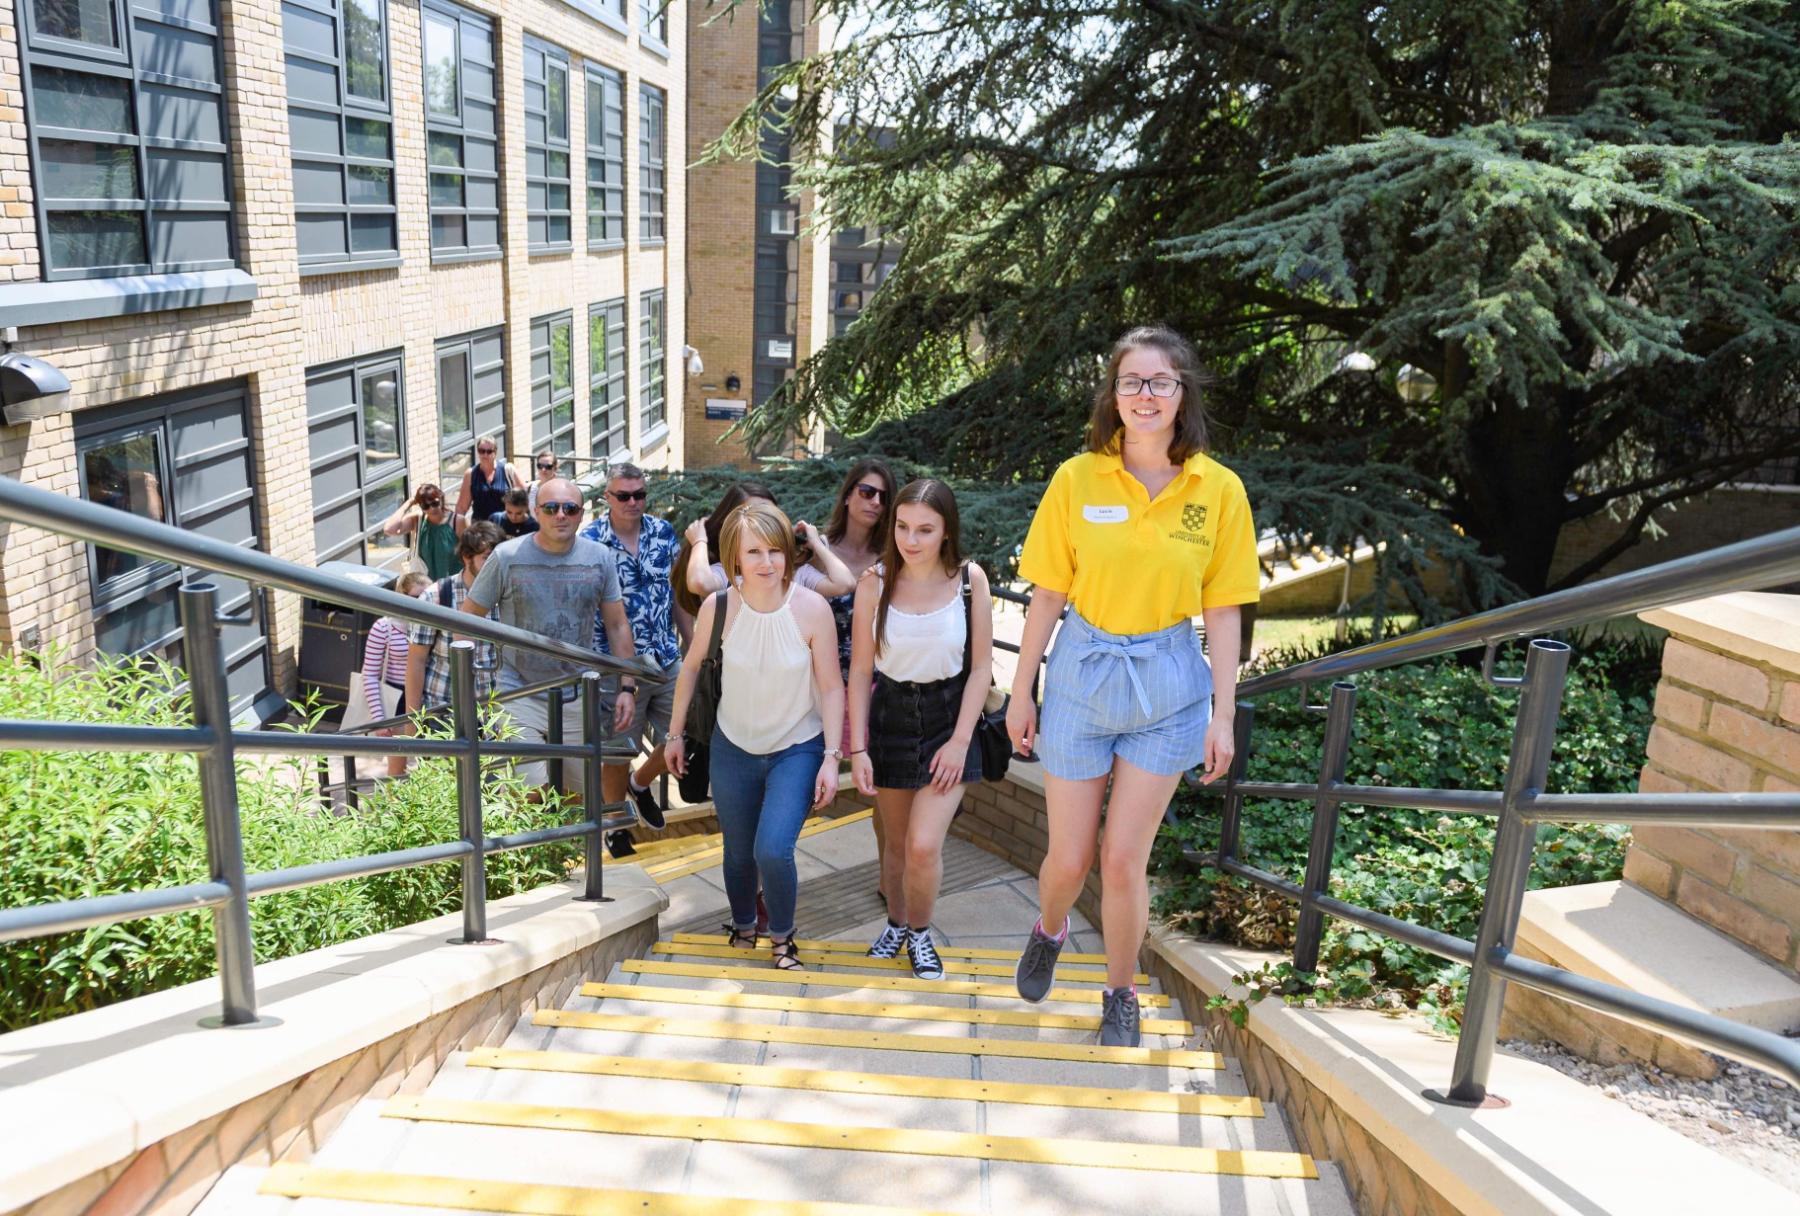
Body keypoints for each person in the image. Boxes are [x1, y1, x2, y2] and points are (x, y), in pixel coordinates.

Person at [1005, 325, 1260, 1048]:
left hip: (1168, 685)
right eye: (1131, 382)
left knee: (1123, 860)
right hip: (1083, 675)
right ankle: (1049, 928)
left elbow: (1224, 610)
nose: (1145, 395)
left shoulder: (1219, 490)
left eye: (1160, 382)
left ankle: (1120, 993)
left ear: (1183, 393)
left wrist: (1223, 714)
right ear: (1113, 396)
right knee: (1069, 859)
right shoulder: (1077, 478)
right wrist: (1021, 692)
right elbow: (1048, 596)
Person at [666, 501, 845, 972]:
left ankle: (783, 939)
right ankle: (744, 925)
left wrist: (832, 757)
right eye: (754, 552)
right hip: (732, 747)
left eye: (775, 550)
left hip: (797, 748)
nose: (767, 563)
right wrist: (674, 734)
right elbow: (690, 669)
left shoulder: (812, 609)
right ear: (734, 558)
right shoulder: (719, 607)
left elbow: (831, 686)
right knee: (738, 852)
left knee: (772, 849)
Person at [847, 480, 990, 980]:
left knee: (923, 845)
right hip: (889, 715)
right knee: (895, 843)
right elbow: (860, 671)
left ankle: (921, 934)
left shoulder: (970, 580)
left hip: (948, 718)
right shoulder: (874, 583)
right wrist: (858, 749)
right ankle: (896, 923)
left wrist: (960, 742)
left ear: (946, 531)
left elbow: (981, 669)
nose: (911, 539)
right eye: (903, 527)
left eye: (925, 530)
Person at [461, 479, 638, 802]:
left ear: (581, 514)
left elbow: (617, 625)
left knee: (577, 796)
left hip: (576, 693)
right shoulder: (507, 556)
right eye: (551, 508)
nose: (561, 515)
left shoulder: (599, 557)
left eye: (570, 508)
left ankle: (565, 838)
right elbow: (468, 618)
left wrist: (627, 686)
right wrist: (472, 681)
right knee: (529, 792)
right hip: (519, 691)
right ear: (536, 511)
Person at [580, 462, 692, 831]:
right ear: (607, 497)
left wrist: (692, 644)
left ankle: (640, 783)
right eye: (624, 496)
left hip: (666, 658)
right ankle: (615, 825)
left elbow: (676, 595)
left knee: (689, 730)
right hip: (616, 667)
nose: (633, 502)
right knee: (618, 752)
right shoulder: (590, 542)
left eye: (639, 494)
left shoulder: (662, 532)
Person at [819, 459, 898, 901]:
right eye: (867, 492)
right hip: (820, 689)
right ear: (849, 494)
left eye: (884, 496)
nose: (875, 502)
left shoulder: (894, 559)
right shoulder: (816, 551)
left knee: (885, 795)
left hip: (876, 688)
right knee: (803, 787)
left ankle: (890, 881)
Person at [403, 521, 505, 743]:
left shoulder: (505, 595)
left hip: (494, 715)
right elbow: (416, 661)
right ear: (467, 557)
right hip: (444, 712)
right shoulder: (436, 596)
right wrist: (412, 722)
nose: (495, 566)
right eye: (487, 558)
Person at [680, 484, 858, 604]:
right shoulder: (729, 576)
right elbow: (700, 582)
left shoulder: (797, 573)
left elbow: (845, 583)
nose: (764, 523)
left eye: (770, 514)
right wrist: (700, 541)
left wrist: (816, 543)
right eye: (753, 514)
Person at [363, 571, 432, 778]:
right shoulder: (383, 627)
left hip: (429, 697)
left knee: (431, 764)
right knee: (397, 767)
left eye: (427, 597)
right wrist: (379, 719)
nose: (423, 603)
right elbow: (369, 675)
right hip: (396, 700)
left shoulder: (433, 625)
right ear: (402, 596)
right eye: (416, 597)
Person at [383, 484, 464, 580]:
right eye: (425, 506)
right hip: (426, 584)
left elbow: (471, 553)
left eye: (435, 503)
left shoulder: (457, 521)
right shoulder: (418, 520)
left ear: (441, 498)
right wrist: (409, 503)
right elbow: (389, 529)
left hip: (453, 583)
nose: (432, 508)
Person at [454, 438, 512, 521]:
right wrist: (456, 524)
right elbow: (462, 507)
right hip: (480, 526)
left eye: (489, 451)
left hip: (503, 525)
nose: (485, 455)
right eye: (481, 451)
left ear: (495, 452)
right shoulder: (470, 474)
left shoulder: (507, 470)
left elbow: (522, 498)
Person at [526, 450, 559, 515]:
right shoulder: (530, 487)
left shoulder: (561, 490)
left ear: (555, 468)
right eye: (540, 466)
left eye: (548, 466)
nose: (543, 469)